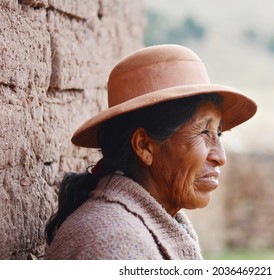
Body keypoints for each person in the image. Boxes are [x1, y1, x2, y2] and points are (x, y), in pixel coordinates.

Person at [44, 44, 257, 259]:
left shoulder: (156, 225)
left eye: (218, 134)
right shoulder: (116, 244)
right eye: (203, 131)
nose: (220, 157)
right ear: (144, 145)